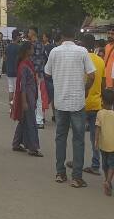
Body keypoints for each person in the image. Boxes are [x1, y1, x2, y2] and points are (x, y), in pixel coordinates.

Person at [45, 27, 96, 188]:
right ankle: (77, 177)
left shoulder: (55, 52)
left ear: (61, 36)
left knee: (60, 137)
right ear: (74, 36)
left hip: (60, 102)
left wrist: (60, 81)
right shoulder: (82, 51)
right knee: (78, 139)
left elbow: (47, 73)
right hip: (77, 102)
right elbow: (92, 75)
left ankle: (60, 173)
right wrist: (86, 89)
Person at [11, 42, 42, 156]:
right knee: (31, 122)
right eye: (32, 48)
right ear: (27, 50)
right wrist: (24, 102)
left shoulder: (28, 63)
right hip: (27, 97)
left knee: (24, 121)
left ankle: (16, 143)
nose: (33, 49)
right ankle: (33, 148)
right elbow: (22, 86)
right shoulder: (24, 66)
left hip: (31, 96)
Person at [82, 34, 105, 175]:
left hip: (82, 103)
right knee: (94, 137)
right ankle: (95, 164)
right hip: (97, 104)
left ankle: (78, 161)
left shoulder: (82, 59)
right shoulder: (100, 61)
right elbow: (103, 84)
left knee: (78, 135)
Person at [95, 88, 114, 195]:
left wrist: (96, 141)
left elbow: (97, 128)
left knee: (105, 164)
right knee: (112, 164)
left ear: (102, 100)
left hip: (103, 144)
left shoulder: (100, 113)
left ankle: (107, 180)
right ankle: (108, 181)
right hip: (113, 145)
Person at [5, 30, 21, 105]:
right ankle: (15, 107)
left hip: (9, 70)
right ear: (17, 37)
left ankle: (11, 107)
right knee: (17, 90)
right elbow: (19, 59)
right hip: (16, 71)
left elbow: (6, 58)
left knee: (11, 89)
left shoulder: (8, 47)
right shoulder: (18, 47)